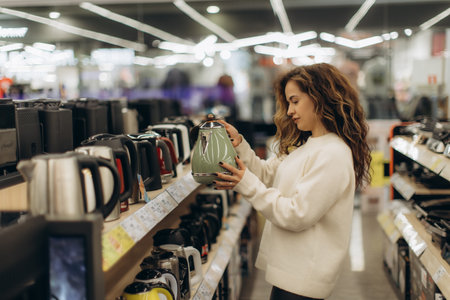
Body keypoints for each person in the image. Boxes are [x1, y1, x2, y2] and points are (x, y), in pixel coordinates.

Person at [214, 63, 372, 300]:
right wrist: (240, 145)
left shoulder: (333, 153)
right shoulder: (307, 146)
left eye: (295, 101)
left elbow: (297, 214)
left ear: (320, 98)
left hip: (304, 279)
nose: (289, 111)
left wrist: (244, 183)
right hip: (291, 273)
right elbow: (267, 174)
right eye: (288, 103)